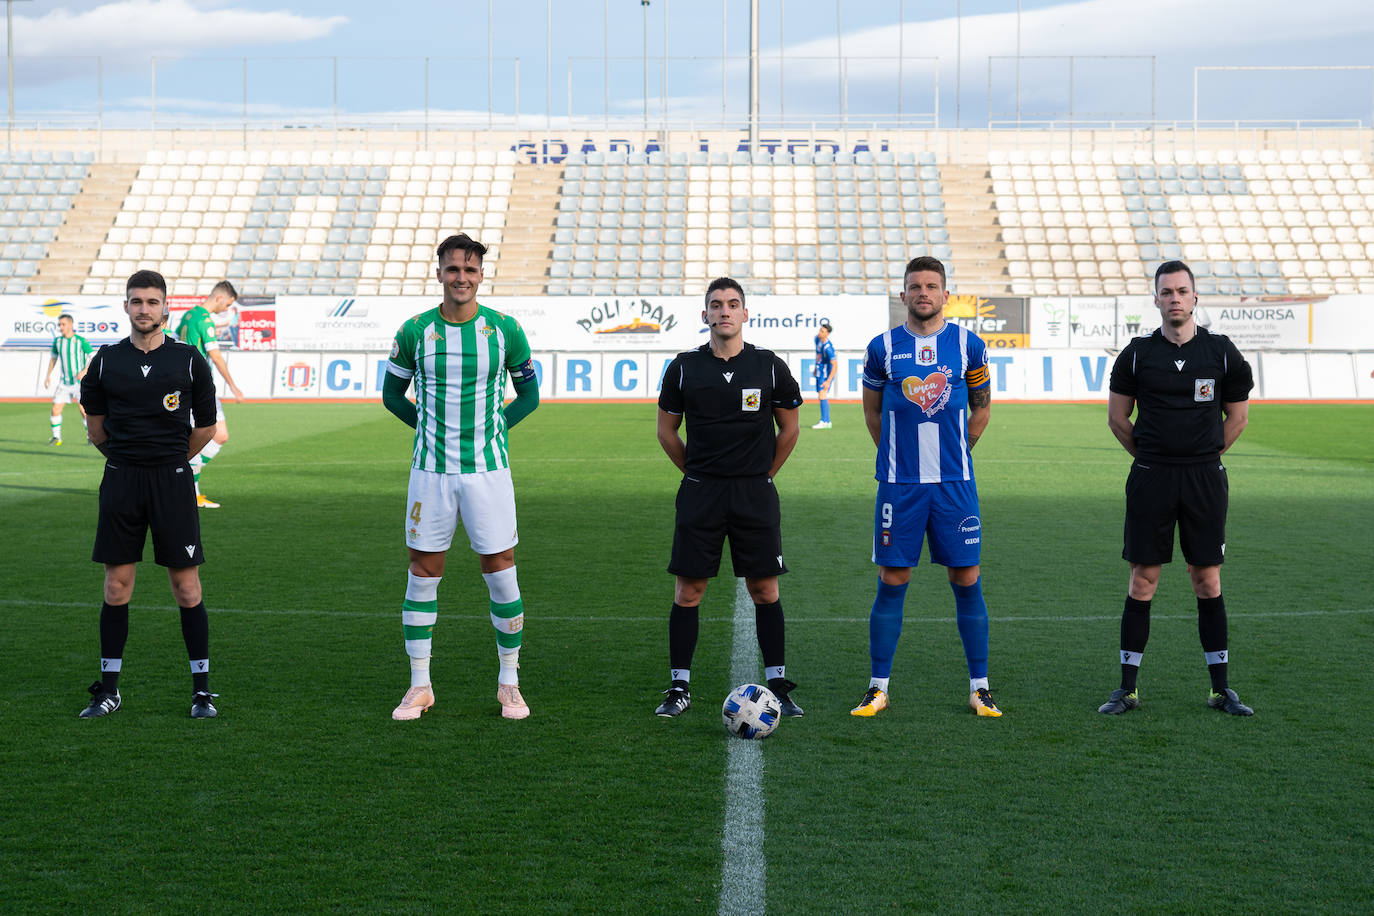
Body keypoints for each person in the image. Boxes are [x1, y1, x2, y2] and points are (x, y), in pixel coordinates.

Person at [382, 233, 541, 721]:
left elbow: (530, 396)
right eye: (453, 270)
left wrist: (493, 431)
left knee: (501, 569)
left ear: (480, 276)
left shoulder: (506, 330)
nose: (462, 279)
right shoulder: (413, 331)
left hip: (488, 474)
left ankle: (509, 684)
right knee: (423, 572)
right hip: (430, 473)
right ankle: (419, 686)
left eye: (470, 271)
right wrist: (431, 432)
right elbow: (392, 397)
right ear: (439, 274)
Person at [1100, 260, 1255, 717]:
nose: (1175, 299)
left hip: (1205, 477)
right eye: (1166, 292)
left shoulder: (1222, 352)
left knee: (1207, 581)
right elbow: (1117, 418)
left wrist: (1202, 456)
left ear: (1194, 297)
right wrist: (1154, 461)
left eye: (1182, 291)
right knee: (1143, 580)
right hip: (1152, 477)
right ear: (1156, 299)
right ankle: (1127, 689)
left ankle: (1221, 689)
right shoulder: (1136, 354)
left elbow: (1239, 417)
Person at [851, 256, 1002, 719]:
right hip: (900, 486)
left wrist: (962, 449)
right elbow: (873, 412)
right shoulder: (881, 348)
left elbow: (981, 407)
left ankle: (980, 688)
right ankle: (878, 688)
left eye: (931, 285)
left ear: (945, 295)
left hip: (955, 484)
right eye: (915, 286)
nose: (923, 293)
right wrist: (897, 456)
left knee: (967, 579)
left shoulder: (970, 346)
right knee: (893, 580)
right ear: (903, 296)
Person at [654, 277, 804, 718]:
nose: (724, 311)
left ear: (744, 314)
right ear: (705, 316)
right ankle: (679, 687)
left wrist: (764, 474)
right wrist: (698, 474)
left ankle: (777, 684)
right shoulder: (683, 367)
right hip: (701, 493)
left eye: (732, 304)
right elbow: (666, 431)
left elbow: (790, 427)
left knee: (764, 588)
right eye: (716, 305)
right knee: (689, 590)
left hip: (754, 493)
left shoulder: (769, 366)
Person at [77, 270, 220, 719]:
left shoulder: (189, 359)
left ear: (165, 307)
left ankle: (201, 693)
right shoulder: (105, 361)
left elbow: (206, 427)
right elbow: (96, 428)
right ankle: (110, 691)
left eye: (152, 302)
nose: (144, 310)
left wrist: (171, 462)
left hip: (172, 482)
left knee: (186, 587)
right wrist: (125, 460)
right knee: (117, 587)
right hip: (121, 480)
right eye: (136, 301)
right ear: (126, 307)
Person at [175, 281, 244, 508]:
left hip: (188, 385)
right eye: (228, 304)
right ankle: (186, 484)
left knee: (211, 436)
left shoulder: (187, 316)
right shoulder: (205, 320)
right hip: (200, 387)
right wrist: (233, 385)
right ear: (219, 298)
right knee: (208, 436)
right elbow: (215, 356)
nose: (226, 309)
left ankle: (190, 486)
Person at [44, 313, 93, 445]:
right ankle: (56, 438)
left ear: (71, 324)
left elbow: (93, 358)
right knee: (55, 409)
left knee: (83, 410)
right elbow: (53, 358)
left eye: (63, 324)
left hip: (79, 383)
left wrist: (84, 371)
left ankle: (91, 437)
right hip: (64, 383)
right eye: (59, 324)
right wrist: (48, 376)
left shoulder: (80, 341)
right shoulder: (58, 341)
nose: (61, 327)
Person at [811, 320, 836, 429]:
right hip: (820, 372)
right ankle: (826, 421)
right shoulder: (817, 340)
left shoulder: (828, 348)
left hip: (825, 374)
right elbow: (818, 355)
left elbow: (835, 365)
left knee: (822, 395)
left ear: (827, 334)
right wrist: (816, 367)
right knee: (821, 395)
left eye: (822, 331)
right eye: (820, 330)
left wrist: (828, 380)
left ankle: (825, 421)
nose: (819, 333)